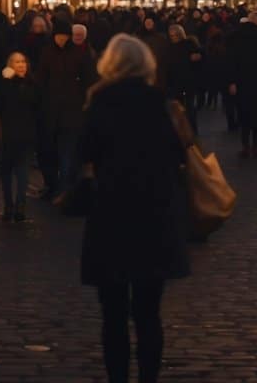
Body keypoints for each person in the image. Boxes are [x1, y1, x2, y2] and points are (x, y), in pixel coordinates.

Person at [79, 35, 190, 383]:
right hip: (154, 214)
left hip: (111, 213)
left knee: (112, 314)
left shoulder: (99, 102)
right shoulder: (161, 104)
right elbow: (179, 154)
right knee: (148, 312)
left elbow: (84, 153)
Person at [35, 18, 98, 198]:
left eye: (64, 37)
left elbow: (90, 79)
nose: (61, 40)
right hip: (51, 111)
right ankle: (53, 185)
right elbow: (41, 79)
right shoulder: (47, 53)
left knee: (67, 153)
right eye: (59, 37)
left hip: (72, 112)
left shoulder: (80, 55)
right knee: (51, 153)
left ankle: (64, 189)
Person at [0, 51, 40, 223]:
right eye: (16, 62)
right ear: (10, 65)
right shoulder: (5, 84)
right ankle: (8, 205)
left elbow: (35, 105)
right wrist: (8, 81)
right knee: (6, 172)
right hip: (7, 134)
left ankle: (20, 205)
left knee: (22, 172)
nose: (21, 65)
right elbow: (0, 103)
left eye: (23, 61)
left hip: (25, 134)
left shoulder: (33, 84)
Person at [226, 11, 257, 158]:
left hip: (241, 81)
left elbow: (229, 61)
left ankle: (246, 146)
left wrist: (231, 81)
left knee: (244, 115)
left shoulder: (235, 37)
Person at [162, 25, 203, 131]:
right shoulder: (168, 47)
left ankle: (192, 130)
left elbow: (199, 58)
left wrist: (197, 58)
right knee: (178, 109)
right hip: (175, 82)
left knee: (190, 108)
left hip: (188, 80)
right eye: (172, 35)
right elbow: (167, 65)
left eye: (176, 35)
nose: (174, 37)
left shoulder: (189, 44)